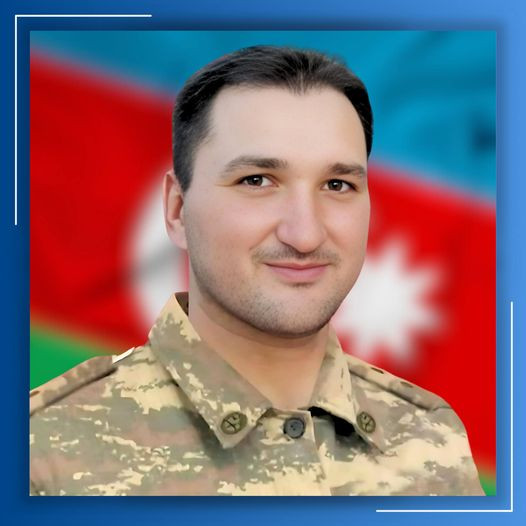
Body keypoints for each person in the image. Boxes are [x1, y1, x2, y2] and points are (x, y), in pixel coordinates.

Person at [30, 45, 484, 496]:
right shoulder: (40, 451)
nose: (305, 234)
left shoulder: (430, 443)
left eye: (337, 184)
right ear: (177, 210)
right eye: (257, 181)